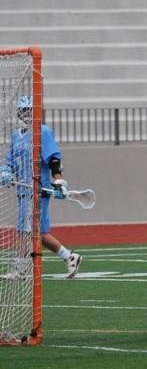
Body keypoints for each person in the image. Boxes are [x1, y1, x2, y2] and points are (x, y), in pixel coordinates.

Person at [0, 95, 82, 279]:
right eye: (24, 110)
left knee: (26, 230)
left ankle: (20, 269)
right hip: (23, 190)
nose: (27, 113)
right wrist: (5, 171)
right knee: (37, 232)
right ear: (19, 113)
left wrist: (59, 180)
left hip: (38, 189)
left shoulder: (42, 131)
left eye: (30, 109)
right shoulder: (16, 134)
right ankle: (70, 257)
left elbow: (54, 159)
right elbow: (9, 160)